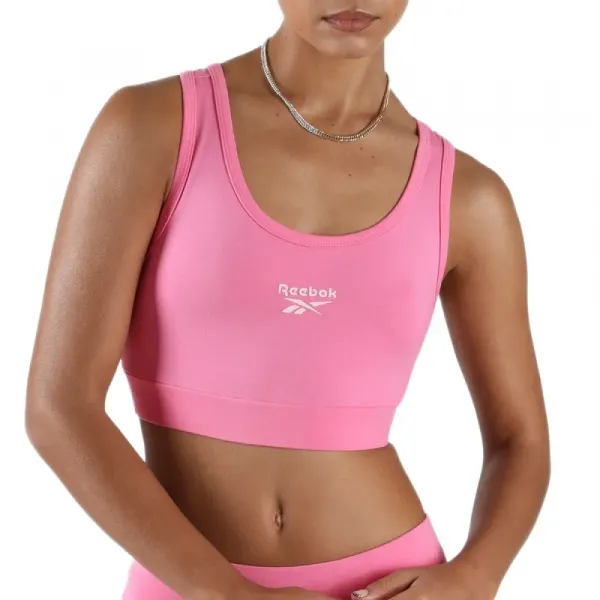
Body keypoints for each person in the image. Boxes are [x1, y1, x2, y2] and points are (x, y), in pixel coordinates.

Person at [25, 2, 550, 600]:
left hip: (385, 581)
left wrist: (479, 573)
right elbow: (58, 407)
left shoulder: (468, 197)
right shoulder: (153, 127)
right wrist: (227, 593)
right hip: (190, 587)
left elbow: (521, 439)